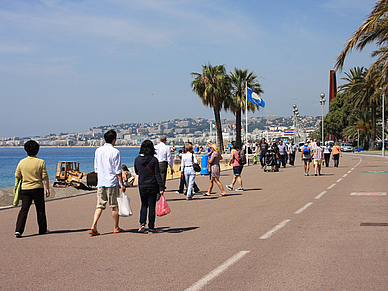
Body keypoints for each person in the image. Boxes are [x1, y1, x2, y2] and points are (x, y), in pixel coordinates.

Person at [89, 130, 125, 236]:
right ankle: (116, 227)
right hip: (111, 182)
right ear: (114, 139)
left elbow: (96, 168)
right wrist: (122, 184)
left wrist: (98, 180)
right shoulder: (115, 152)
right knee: (114, 206)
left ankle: (94, 225)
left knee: (99, 205)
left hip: (101, 182)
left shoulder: (98, 151)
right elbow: (118, 170)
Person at [14, 140, 50, 238]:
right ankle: (42, 229)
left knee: (24, 210)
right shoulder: (40, 162)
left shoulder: (22, 162)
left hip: (25, 189)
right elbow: (45, 177)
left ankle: (19, 230)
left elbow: (17, 175)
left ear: (26, 151)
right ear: (37, 151)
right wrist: (47, 189)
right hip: (38, 188)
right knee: (40, 210)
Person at [134, 140, 164, 233]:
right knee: (151, 206)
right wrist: (161, 187)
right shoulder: (154, 160)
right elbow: (157, 174)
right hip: (152, 185)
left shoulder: (137, 160)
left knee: (143, 205)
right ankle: (151, 227)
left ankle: (142, 223)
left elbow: (136, 172)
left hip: (142, 184)